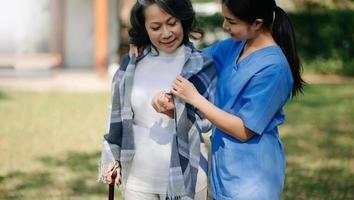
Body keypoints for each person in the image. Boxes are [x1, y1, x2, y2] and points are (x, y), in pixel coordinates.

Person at [153, 0, 305, 199]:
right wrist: (169, 98)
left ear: (257, 23)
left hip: (254, 175)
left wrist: (195, 99)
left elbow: (244, 131)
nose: (225, 26)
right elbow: (194, 61)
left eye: (231, 21)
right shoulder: (236, 46)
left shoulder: (274, 69)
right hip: (225, 170)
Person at [98, 0, 216, 199]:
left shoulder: (200, 64)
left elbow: (207, 122)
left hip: (189, 178)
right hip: (138, 180)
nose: (166, 33)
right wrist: (111, 157)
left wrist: (175, 111)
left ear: (183, 20)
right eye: (155, 27)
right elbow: (115, 114)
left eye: (172, 23)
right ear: (144, 28)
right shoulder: (132, 62)